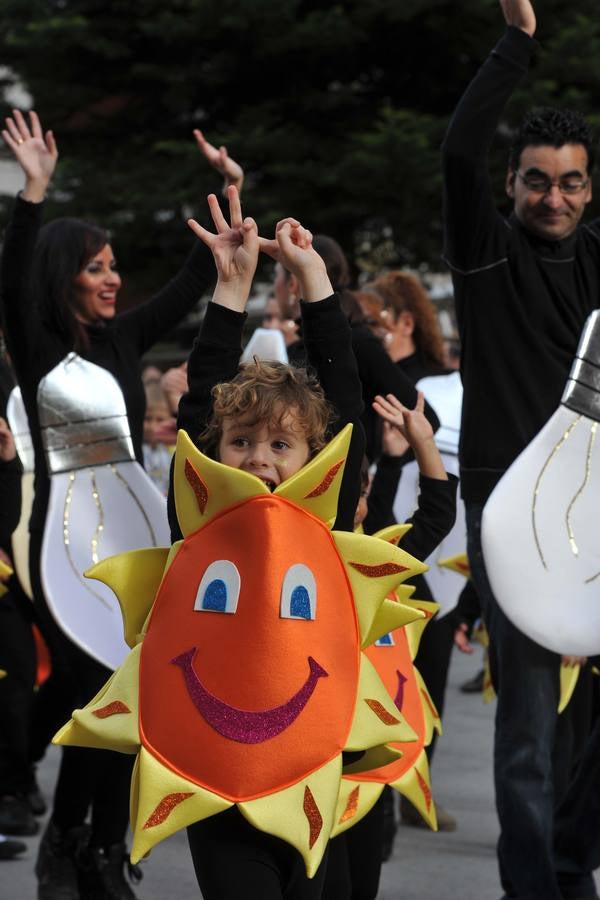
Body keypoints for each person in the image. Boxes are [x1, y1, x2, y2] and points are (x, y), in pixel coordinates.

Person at [0, 109, 227, 899]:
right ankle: (67, 847)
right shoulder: (35, 344)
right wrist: (33, 193)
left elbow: (195, 282)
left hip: (134, 543)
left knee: (131, 700)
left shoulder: (125, 339)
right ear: (65, 277)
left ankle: (103, 847)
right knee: (97, 696)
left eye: (114, 266)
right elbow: (12, 272)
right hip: (63, 550)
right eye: (96, 267)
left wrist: (232, 191)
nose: (112, 278)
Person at [442, 2, 600, 897]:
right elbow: (458, 151)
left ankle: (572, 863)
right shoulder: (486, 256)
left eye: (571, 182)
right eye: (537, 180)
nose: (554, 197)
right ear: (513, 186)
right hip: (510, 516)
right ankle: (538, 887)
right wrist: (517, 43)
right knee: (530, 732)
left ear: (590, 188)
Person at [170, 186, 365, 898]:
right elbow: (197, 404)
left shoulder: (325, 523)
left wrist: (315, 281)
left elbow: (345, 403)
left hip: (317, 770)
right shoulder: (198, 520)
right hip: (219, 783)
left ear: (312, 457)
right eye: (243, 440)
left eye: (281, 444)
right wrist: (232, 286)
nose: (258, 458)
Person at [322, 391, 457, 899]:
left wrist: (422, 443)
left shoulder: (375, 558)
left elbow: (436, 516)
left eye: (354, 492)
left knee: (363, 881)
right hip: (306, 753)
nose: (350, 505)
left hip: (366, 755)